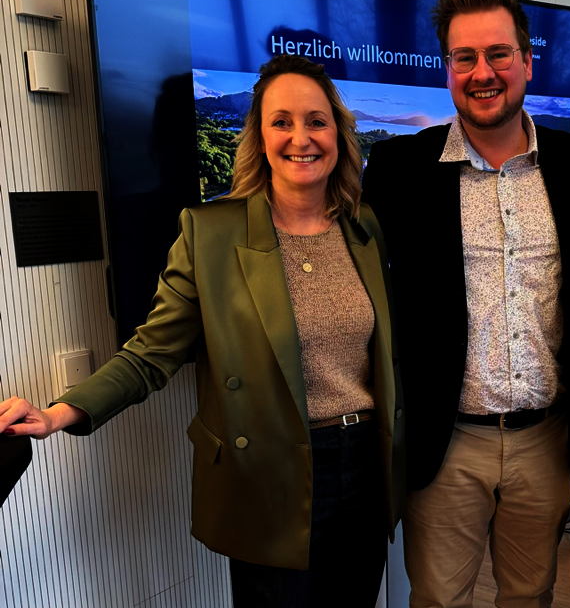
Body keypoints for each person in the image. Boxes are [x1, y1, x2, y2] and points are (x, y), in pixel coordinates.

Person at [0, 54, 404, 608]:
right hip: (270, 472)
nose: (301, 137)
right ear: (259, 138)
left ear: (338, 132)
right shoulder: (210, 233)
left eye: (317, 120)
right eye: (281, 121)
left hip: (363, 465)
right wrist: (58, 412)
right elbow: (151, 353)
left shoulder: (365, 227)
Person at [361, 0, 570, 607]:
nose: (482, 72)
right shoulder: (398, 174)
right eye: (464, 57)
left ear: (527, 61)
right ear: (447, 68)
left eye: (498, 54)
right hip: (446, 444)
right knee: (439, 601)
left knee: (532, 596)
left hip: (547, 439)